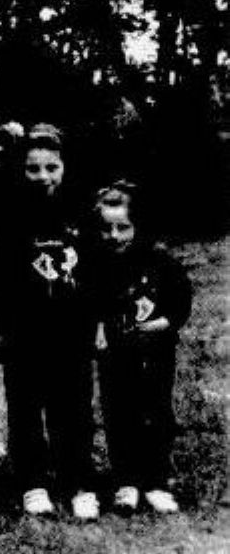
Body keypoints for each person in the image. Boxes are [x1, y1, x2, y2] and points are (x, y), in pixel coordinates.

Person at [0, 123, 100, 520]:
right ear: (20, 171)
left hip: (72, 329)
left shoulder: (83, 214)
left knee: (74, 408)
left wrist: (96, 323)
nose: (43, 177)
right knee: (25, 408)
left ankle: (78, 481)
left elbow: (96, 275)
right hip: (25, 331)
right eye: (32, 169)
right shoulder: (9, 217)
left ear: (65, 166)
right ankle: (33, 483)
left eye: (51, 167)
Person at [88, 181, 191, 514]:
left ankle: (157, 481)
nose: (115, 236)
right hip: (116, 353)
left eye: (123, 227)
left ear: (138, 226)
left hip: (155, 352)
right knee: (119, 414)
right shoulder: (98, 265)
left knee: (156, 412)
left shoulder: (160, 262)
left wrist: (164, 324)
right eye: (107, 229)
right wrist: (100, 330)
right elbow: (95, 304)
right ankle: (127, 481)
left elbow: (180, 301)